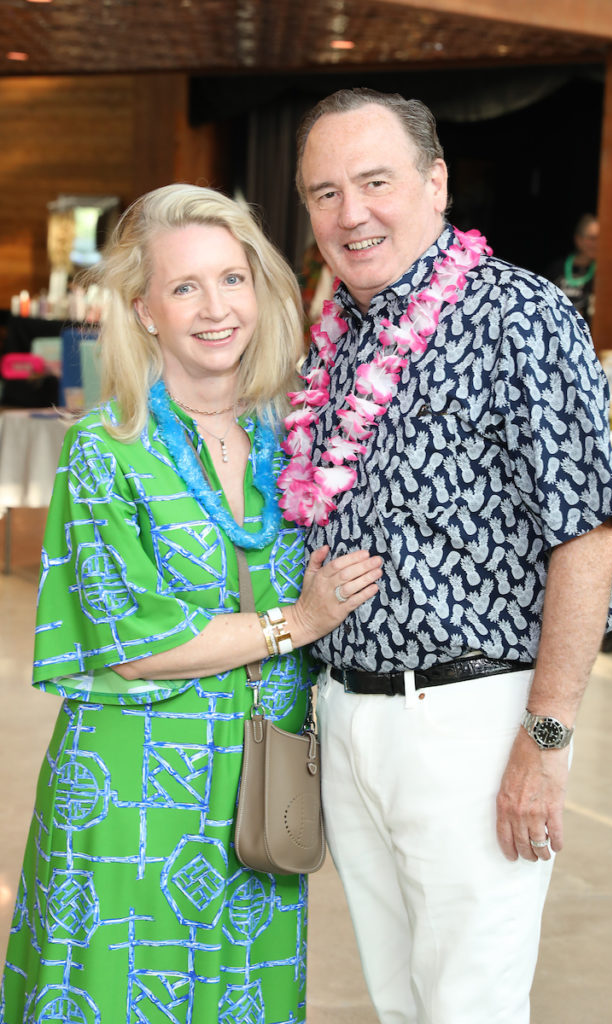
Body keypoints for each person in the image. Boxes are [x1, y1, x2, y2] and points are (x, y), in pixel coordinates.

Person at [0, 184, 382, 1024]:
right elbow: (135, 644)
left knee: (238, 996)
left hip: (262, 789)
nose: (216, 309)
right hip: (130, 786)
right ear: (144, 312)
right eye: (185, 287)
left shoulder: (296, 441)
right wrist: (298, 622)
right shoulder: (107, 451)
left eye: (231, 279)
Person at [283, 89, 612, 1024]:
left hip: (469, 719)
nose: (350, 213)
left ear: (435, 183)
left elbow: (588, 534)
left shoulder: (520, 314)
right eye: (324, 192)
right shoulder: (337, 335)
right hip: (347, 712)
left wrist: (544, 740)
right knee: (400, 1002)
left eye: (375, 182)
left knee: (469, 1004)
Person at [548, 213, 599, 326]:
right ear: (578, 239)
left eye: (601, 239)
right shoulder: (557, 268)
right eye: (592, 238)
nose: (597, 243)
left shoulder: (602, 272)